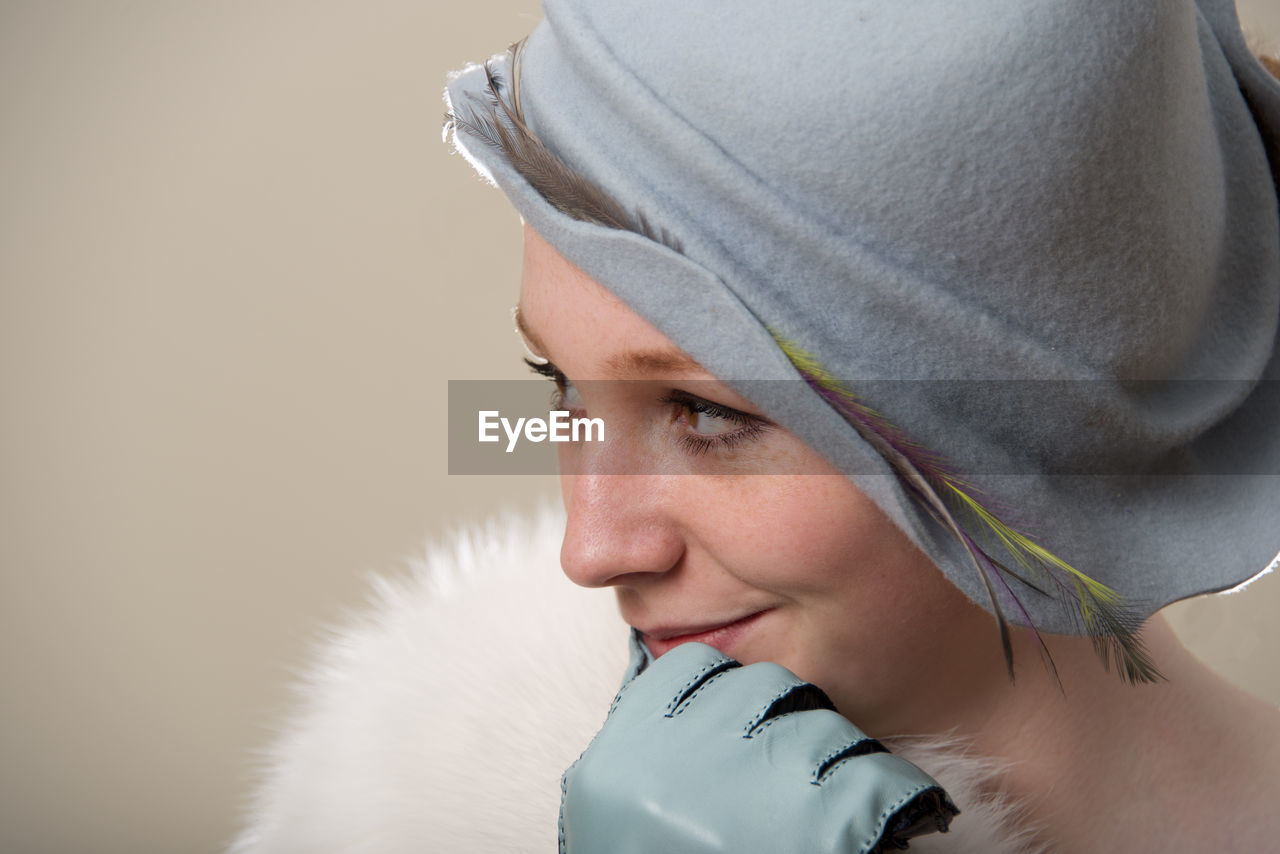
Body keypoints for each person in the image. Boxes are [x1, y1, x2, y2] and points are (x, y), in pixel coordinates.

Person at [230, 1, 1280, 851]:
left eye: (706, 412)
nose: (589, 550)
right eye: (560, 385)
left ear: (1030, 428)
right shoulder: (402, 790)